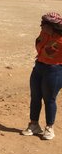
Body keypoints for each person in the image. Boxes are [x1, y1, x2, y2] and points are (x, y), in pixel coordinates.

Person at [21, 12, 62, 140]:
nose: (41, 25)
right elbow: (40, 47)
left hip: (54, 70)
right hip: (39, 67)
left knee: (49, 99)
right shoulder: (44, 33)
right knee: (35, 97)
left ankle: (49, 127)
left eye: (44, 24)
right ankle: (34, 124)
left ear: (52, 26)